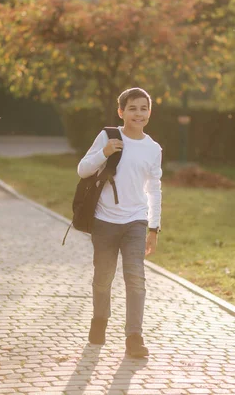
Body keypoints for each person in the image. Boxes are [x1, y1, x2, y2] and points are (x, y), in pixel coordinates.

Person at [77, 87, 162, 358]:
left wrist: (154, 227)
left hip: (136, 221)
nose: (138, 113)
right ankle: (99, 320)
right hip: (104, 220)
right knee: (103, 276)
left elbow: (154, 189)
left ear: (150, 112)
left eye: (143, 108)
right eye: (133, 108)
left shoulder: (153, 148)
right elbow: (83, 170)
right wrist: (104, 152)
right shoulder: (108, 135)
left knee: (135, 277)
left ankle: (134, 336)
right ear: (121, 111)